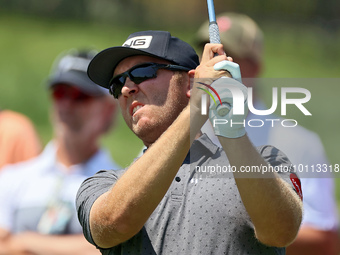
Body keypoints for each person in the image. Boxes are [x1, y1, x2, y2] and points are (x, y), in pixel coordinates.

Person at [76, 30, 303, 254]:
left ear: (191, 82)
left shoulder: (266, 160)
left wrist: (230, 131)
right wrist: (197, 107)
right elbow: (113, 224)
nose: (127, 88)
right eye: (117, 84)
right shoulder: (103, 184)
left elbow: (281, 232)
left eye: (143, 72)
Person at [195, 12, 339, 254]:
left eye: (226, 56)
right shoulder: (181, 135)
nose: (214, 66)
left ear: (254, 66)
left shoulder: (299, 142)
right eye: (208, 55)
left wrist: (229, 232)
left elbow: (323, 239)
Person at [0, 49, 120, 255]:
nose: (66, 104)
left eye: (80, 96)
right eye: (59, 92)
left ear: (107, 109)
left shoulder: (118, 187)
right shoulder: (13, 178)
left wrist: (26, 242)